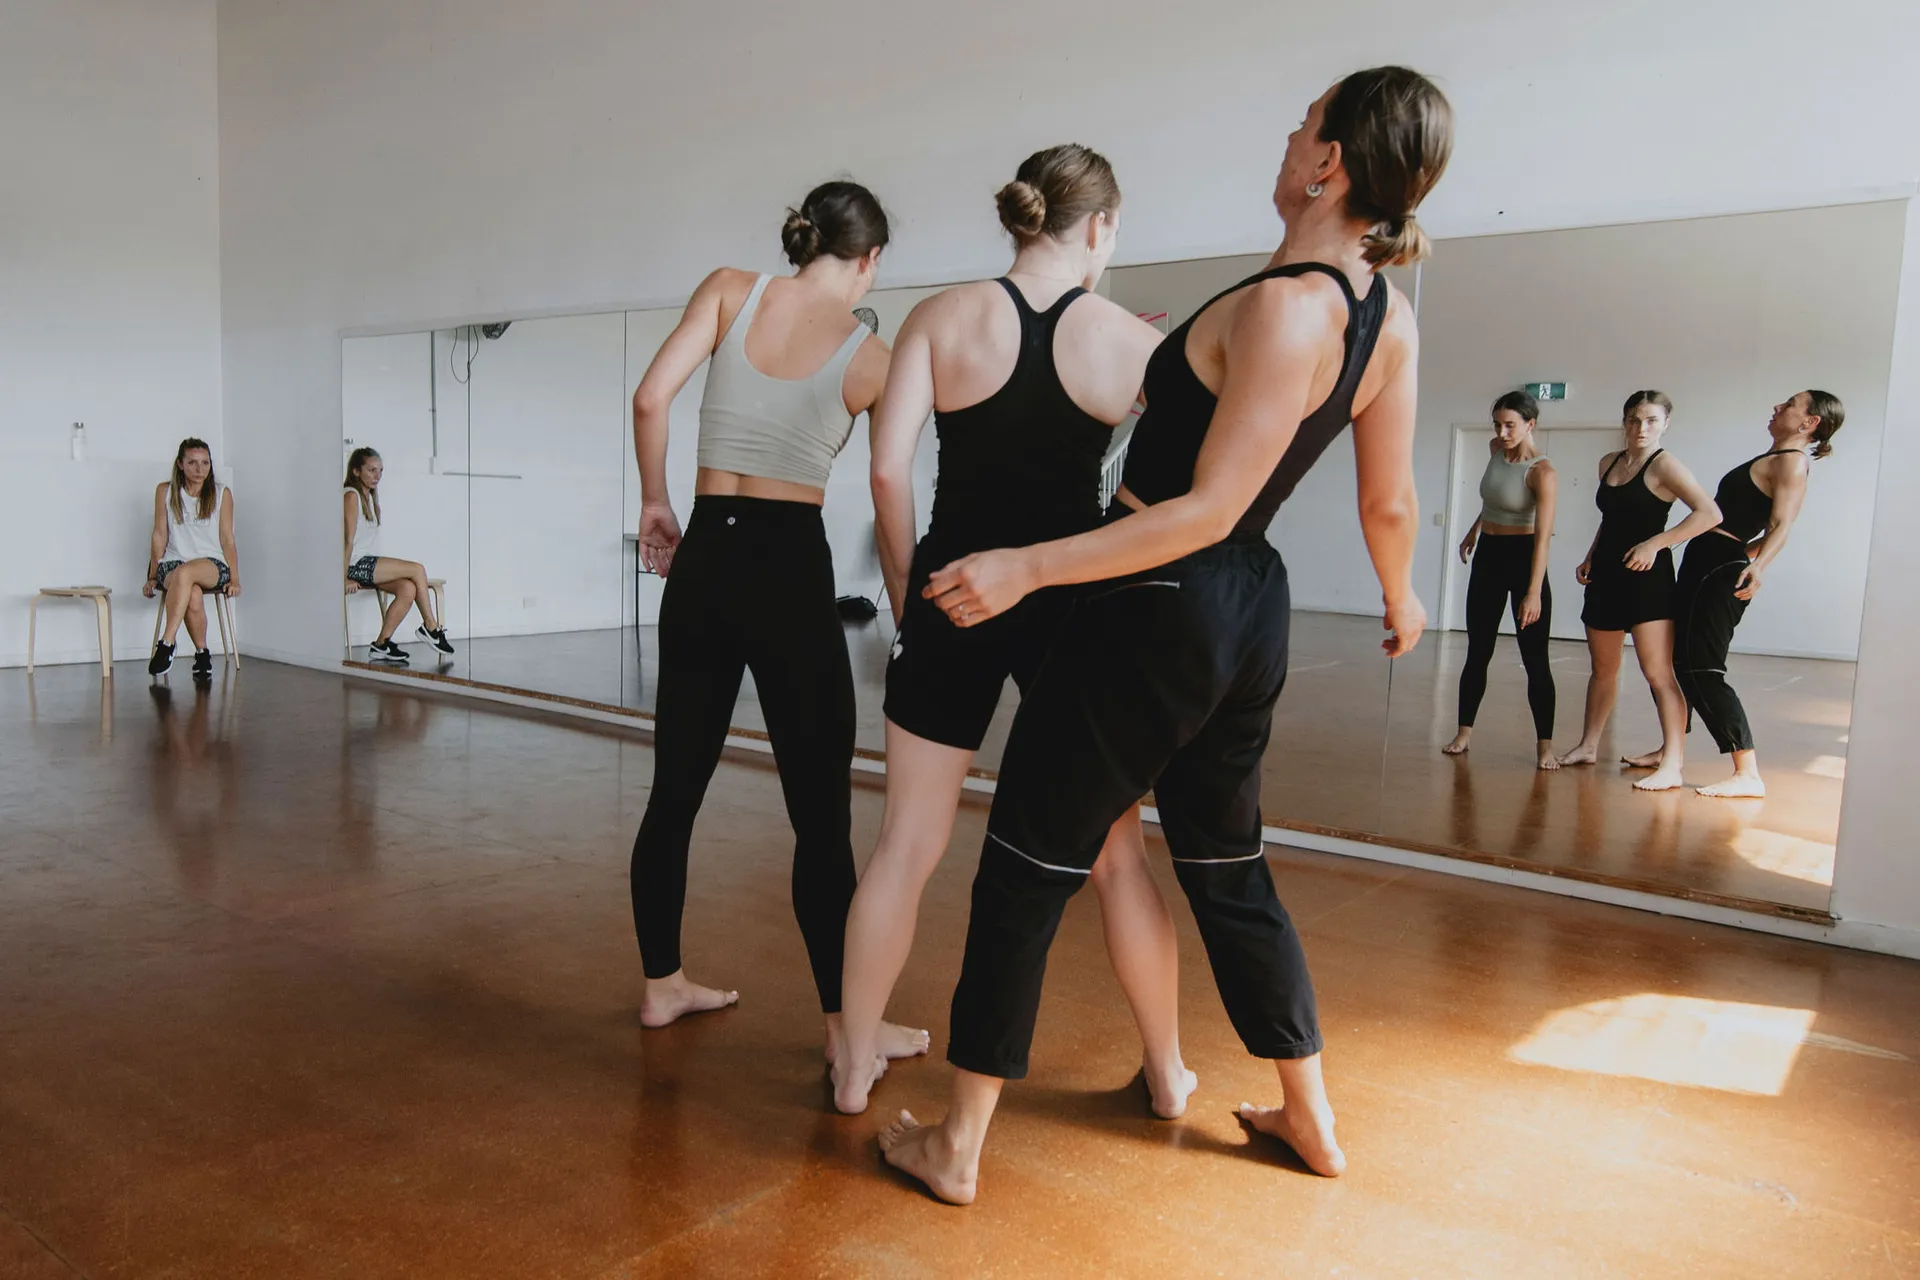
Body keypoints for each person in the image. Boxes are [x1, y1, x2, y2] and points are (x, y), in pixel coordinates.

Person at [876, 66, 1450, 1203]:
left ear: (1329, 164)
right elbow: (1389, 501)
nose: (1287, 137)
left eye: (1303, 125)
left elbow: (1206, 508)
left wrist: (1024, 564)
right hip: (1250, 610)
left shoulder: (1286, 304)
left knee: (1026, 862)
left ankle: (957, 1146)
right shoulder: (1388, 316)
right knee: (1228, 863)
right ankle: (1308, 1112)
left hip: (1155, 604)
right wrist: (1402, 594)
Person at [834, 146, 1191, 1118]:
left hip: (950, 592)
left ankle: (854, 1064)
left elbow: (886, 471)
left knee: (905, 845)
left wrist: (907, 594)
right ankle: (1167, 1071)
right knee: (1117, 856)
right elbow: (1167, 494)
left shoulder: (939, 316)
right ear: (1100, 225)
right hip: (1068, 607)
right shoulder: (1130, 342)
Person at [626, 181, 925, 1080]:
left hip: (705, 558)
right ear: (871, 259)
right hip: (790, 569)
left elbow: (650, 399)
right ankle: (845, 1032)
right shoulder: (873, 358)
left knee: (674, 792)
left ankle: (662, 984)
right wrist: (905, 610)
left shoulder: (730, 290)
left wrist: (655, 502)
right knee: (819, 818)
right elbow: (888, 484)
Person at [1675, 390, 1843, 798]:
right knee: (1679, 659)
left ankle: (1746, 770)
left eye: (1790, 405)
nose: (1777, 407)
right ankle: (1670, 753)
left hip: (1717, 570)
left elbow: (1782, 524)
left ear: (1810, 423)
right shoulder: (1774, 458)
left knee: (1703, 668)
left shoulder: (1792, 462)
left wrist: (1756, 565)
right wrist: (1739, 555)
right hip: (1708, 560)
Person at [1556, 392, 1720, 790]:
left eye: (1650, 420)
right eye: (1633, 419)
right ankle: (1588, 745)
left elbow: (1709, 513)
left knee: (1658, 673)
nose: (1641, 428)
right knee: (1602, 670)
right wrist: (1591, 555)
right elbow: (1611, 519)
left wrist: (1655, 544)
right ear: (1624, 422)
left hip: (1649, 578)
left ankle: (1672, 763)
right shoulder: (1608, 463)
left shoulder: (1665, 465)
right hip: (1606, 574)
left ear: (1665, 424)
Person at [1444, 391, 1559, 768]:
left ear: (1531, 424)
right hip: (1489, 558)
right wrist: (1474, 529)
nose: (1502, 432)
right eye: (1497, 424)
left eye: (1510, 425)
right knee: (1478, 650)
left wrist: (1533, 592)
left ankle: (1545, 747)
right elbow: (1494, 499)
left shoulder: (1542, 472)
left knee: (1535, 659)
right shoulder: (1496, 449)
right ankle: (1464, 733)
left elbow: (1543, 537)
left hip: (1524, 559)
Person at [343, 447, 456, 664]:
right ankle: (431, 627)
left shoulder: (369, 497)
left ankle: (381, 644)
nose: (377, 476)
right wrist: (343, 577)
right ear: (356, 471)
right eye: (371, 470)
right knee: (417, 569)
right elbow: (347, 541)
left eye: (380, 471)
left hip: (365, 563)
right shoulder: (351, 496)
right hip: (354, 565)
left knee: (408, 588)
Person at [144, 438, 241, 681]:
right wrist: (152, 576)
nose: (200, 469)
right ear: (180, 464)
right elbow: (159, 535)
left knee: (185, 573)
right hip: (173, 562)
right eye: (192, 463)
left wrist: (235, 579)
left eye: (205, 463)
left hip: (211, 564)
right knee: (192, 592)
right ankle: (202, 654)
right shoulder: (165, 492)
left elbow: (227, 539)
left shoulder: (221, 494)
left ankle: (167, 643)